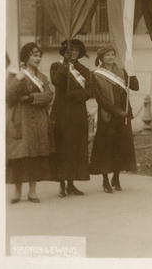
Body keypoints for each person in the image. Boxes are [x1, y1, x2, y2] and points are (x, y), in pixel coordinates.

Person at [6, 43, 54, 203]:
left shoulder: (43, 78)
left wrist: (32, 98)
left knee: (35, 155)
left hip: (38, 121)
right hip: (21, 119)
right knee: (19, 155)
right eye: (34, 55)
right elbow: (9, 97)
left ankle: (32, 191)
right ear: (26, 57)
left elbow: (48, 96)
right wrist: (18, 80)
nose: (38, 58)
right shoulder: (17, 76)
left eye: (39, 55)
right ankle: (17, 192)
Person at [89, 45, 139, 193]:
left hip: (123, 114)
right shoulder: (96, 75)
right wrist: (117, 111)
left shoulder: (122, 72)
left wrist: (132, 71)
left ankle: (116, 178)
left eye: (112, 54)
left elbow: (135, 86)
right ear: (101, 58)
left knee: (121, 146)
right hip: (108, 115)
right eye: (107, 55)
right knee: (106, 147)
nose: (111, 57)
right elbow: (101, 99)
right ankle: (105, 180)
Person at [49, 39, 91, 197]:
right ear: (64, 52)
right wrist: (65, 64)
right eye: (70, 50)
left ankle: (72, 183)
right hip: (61, 111)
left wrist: (78, 95)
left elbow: (90, 89)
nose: (73, 53)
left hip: (77, 111)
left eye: (76, 50)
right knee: (63, 145)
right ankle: (61, 184)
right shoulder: (57, 66)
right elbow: (56, 81)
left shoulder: (83, 69)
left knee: (75, 146)